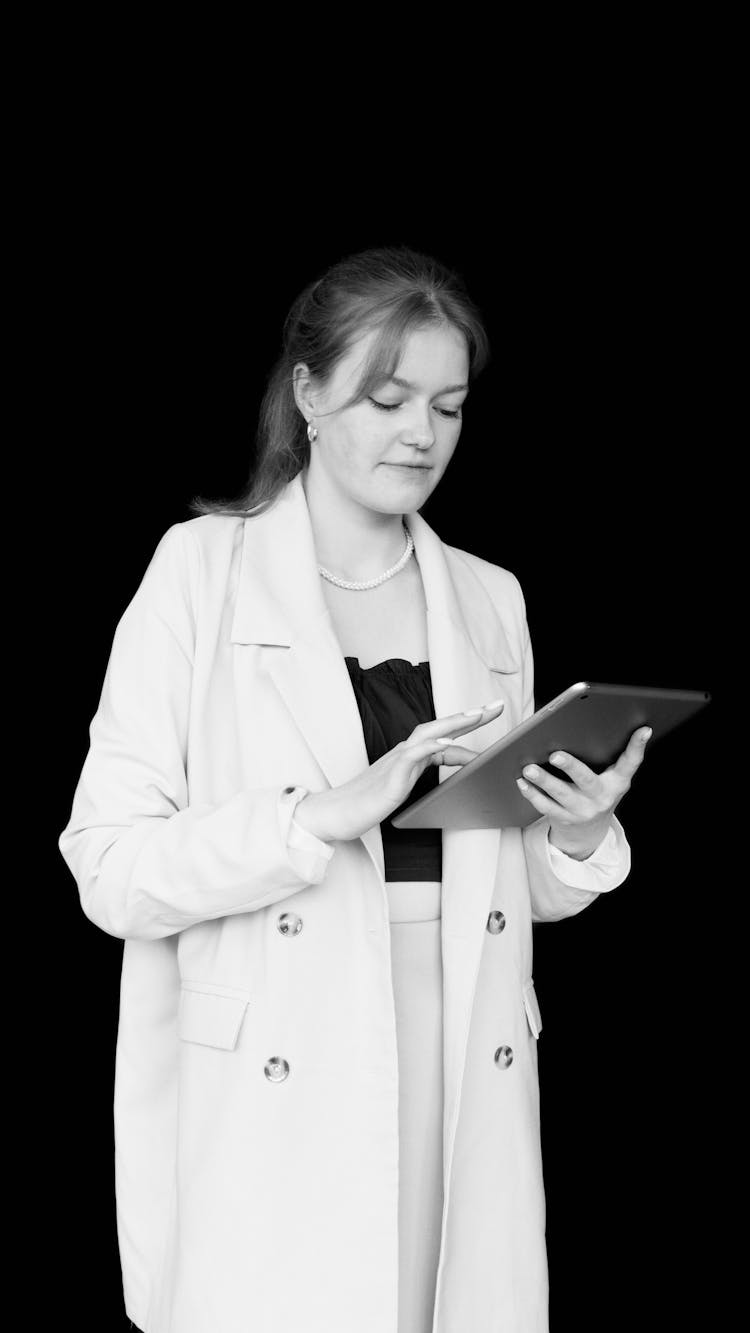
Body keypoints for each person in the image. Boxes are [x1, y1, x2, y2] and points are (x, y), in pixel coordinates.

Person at [58, 245, 649, 1333]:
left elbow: (510, 888)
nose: (421, 434)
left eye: (449, 406)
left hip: (462, 1039)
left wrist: (580, 825)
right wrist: (318, 816)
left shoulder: (488, 596)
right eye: (387, 398)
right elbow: (110, 870)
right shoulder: (199, 572)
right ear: (308, 395)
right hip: (288, 1054)